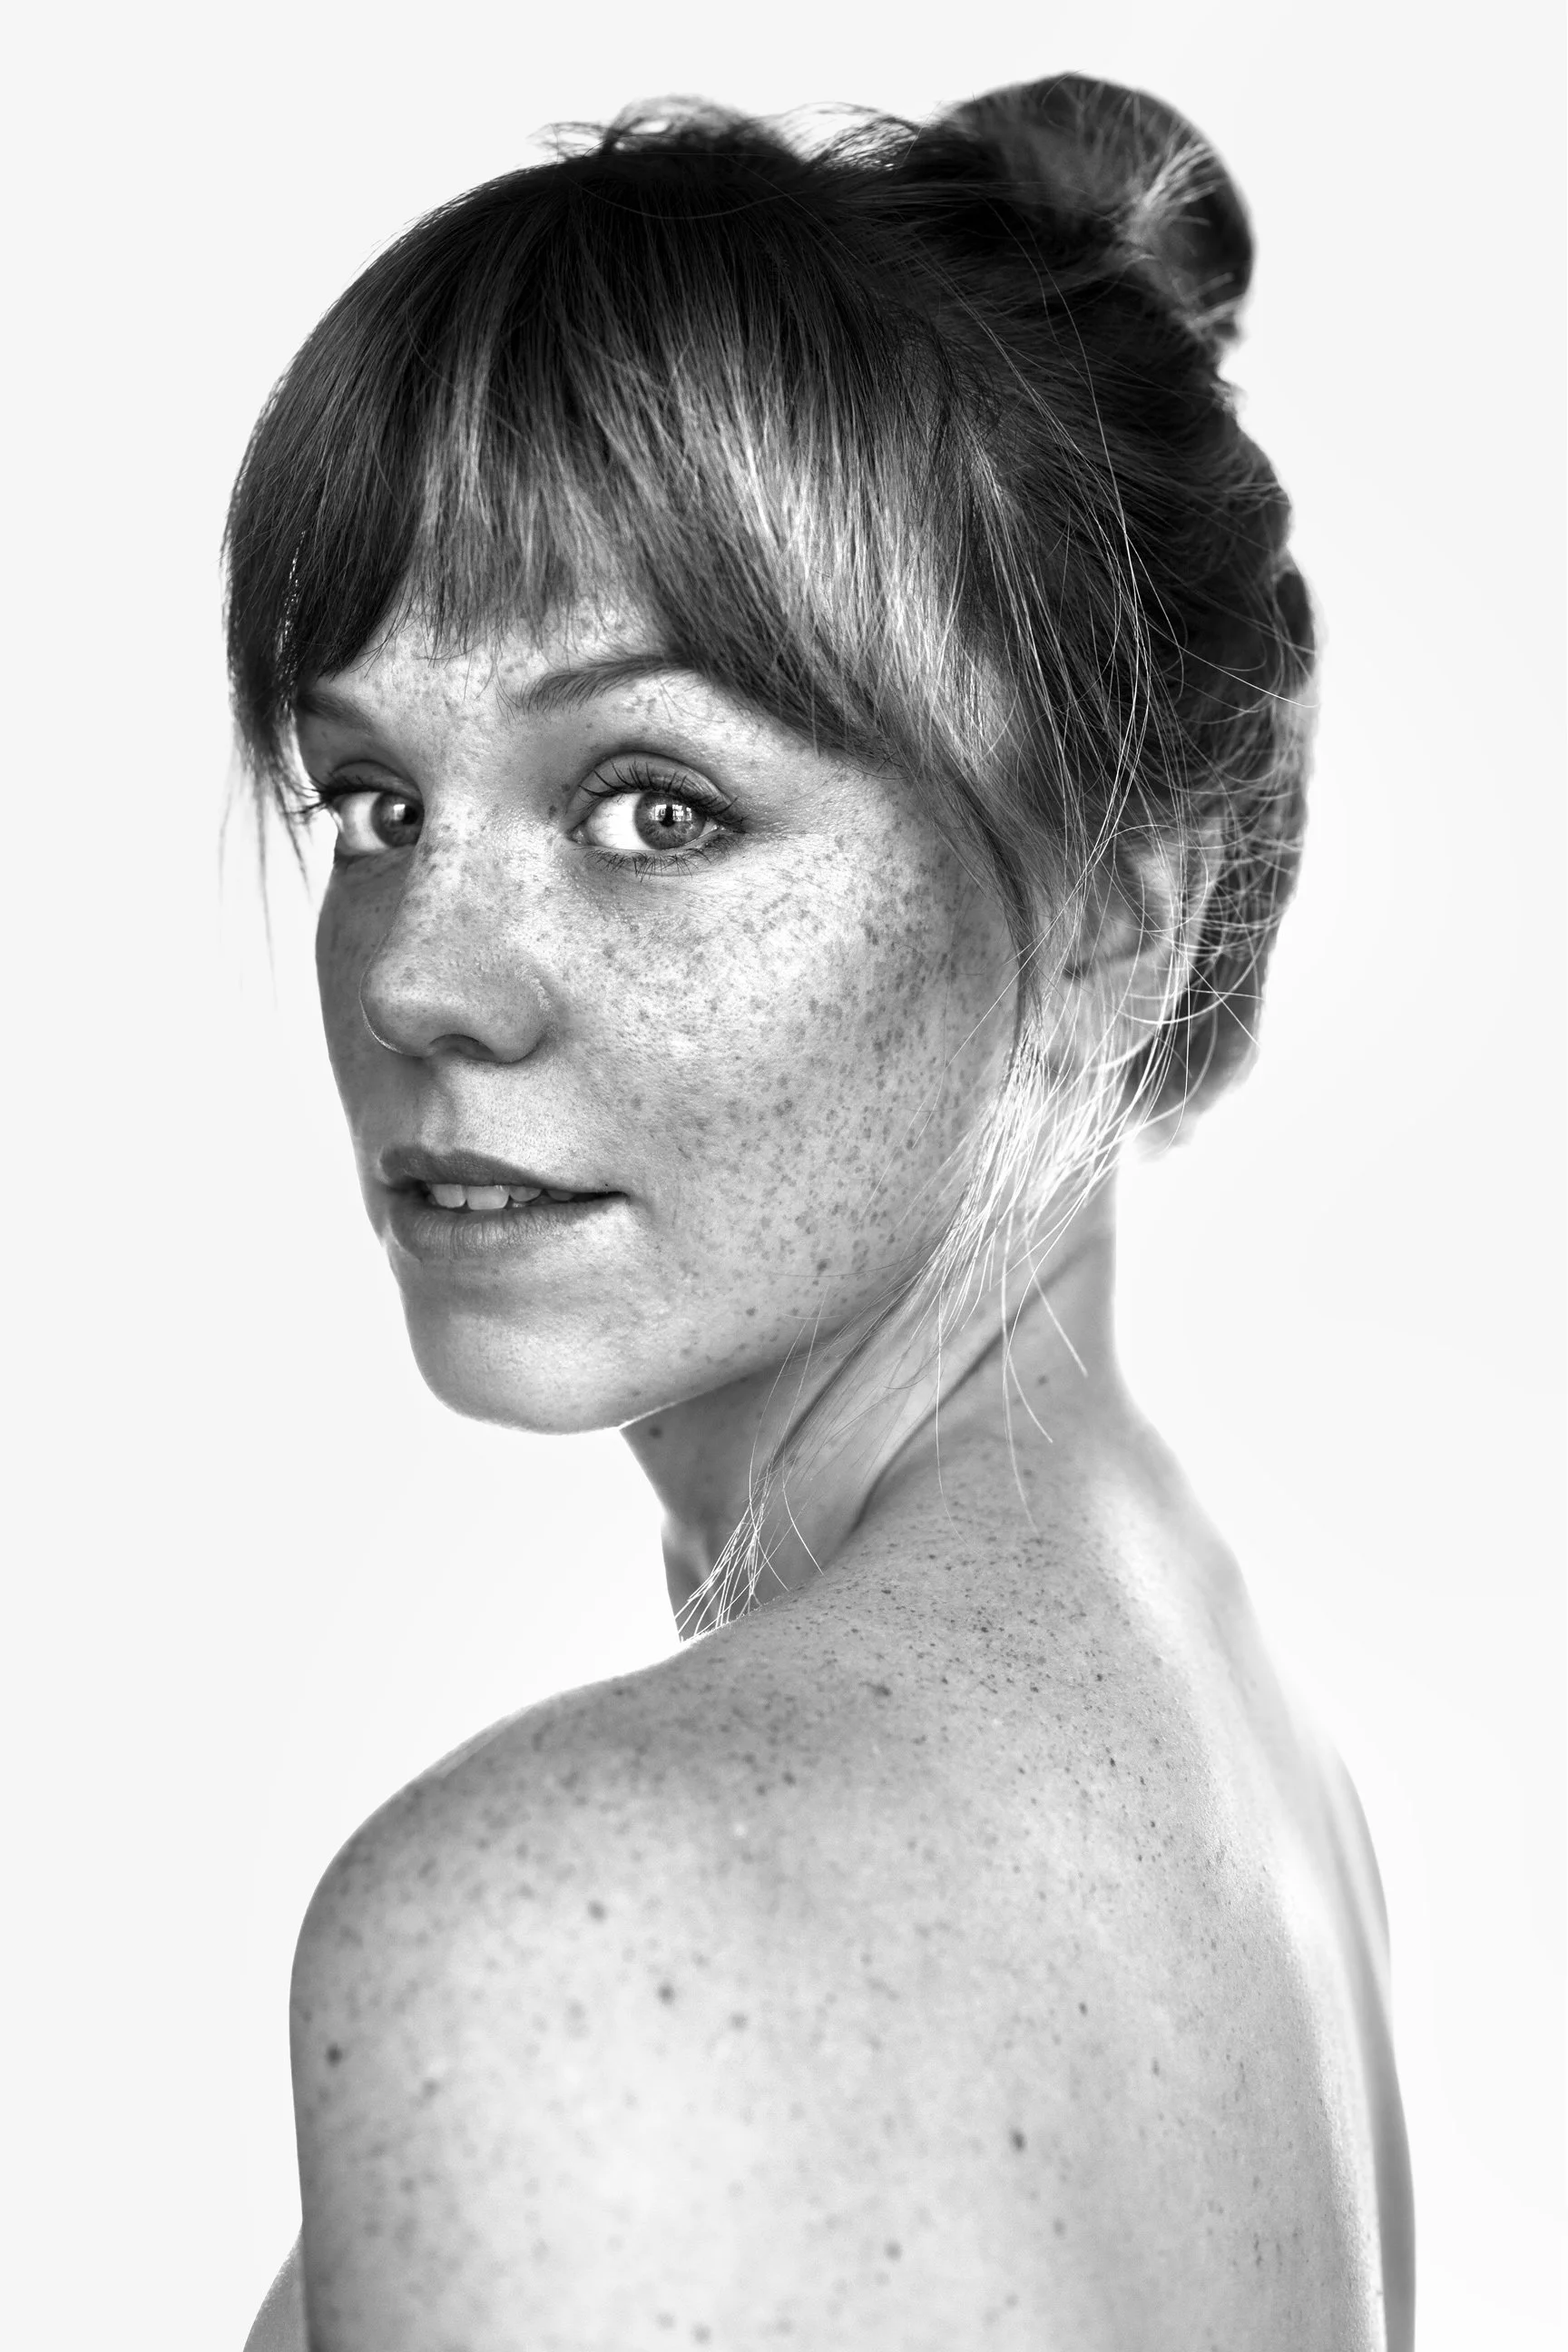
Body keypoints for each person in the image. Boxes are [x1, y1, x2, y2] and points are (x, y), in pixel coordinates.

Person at [232, 73, 1414, 2350]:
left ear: (1112, 928)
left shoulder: (581, 1920)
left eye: (654, 807)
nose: (418, 973)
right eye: (374, 798)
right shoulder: (1246, 1769)